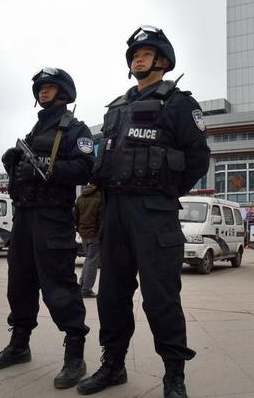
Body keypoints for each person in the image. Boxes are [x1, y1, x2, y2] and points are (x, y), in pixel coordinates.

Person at [78, 26, 210, 398]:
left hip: (155, 212)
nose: (138, 59)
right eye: (135, 55)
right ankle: (113, 365)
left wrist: (166, 190)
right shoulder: (116, 108)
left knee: (161, 297)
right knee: (111, 295)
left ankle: (174, 375)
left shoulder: (179, 103)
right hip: (115, 211)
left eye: (146, 54)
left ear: (162, 61)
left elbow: (198, 159)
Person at [0, 68, 95, 390]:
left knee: (60, 286)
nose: (43, 91)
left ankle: (75, 355)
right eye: (40, 88)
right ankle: (19, 344)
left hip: (53, 219)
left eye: (49, 87)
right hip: (25, 216)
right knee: (19, 282)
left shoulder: (75, 129)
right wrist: (13, 164)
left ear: (63, 92)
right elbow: (24, 174)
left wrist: (46, 169)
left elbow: (85, 168)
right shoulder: (35, 131)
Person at [74, 181, 103, 298]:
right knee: (92, 261)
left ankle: (82, 284)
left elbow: (75, 216)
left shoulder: (80, 197)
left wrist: (79, 229)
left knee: (88, 259)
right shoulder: (99, 197)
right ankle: (86, 289)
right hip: (94, 234)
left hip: (83, 234)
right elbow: (101, 218)